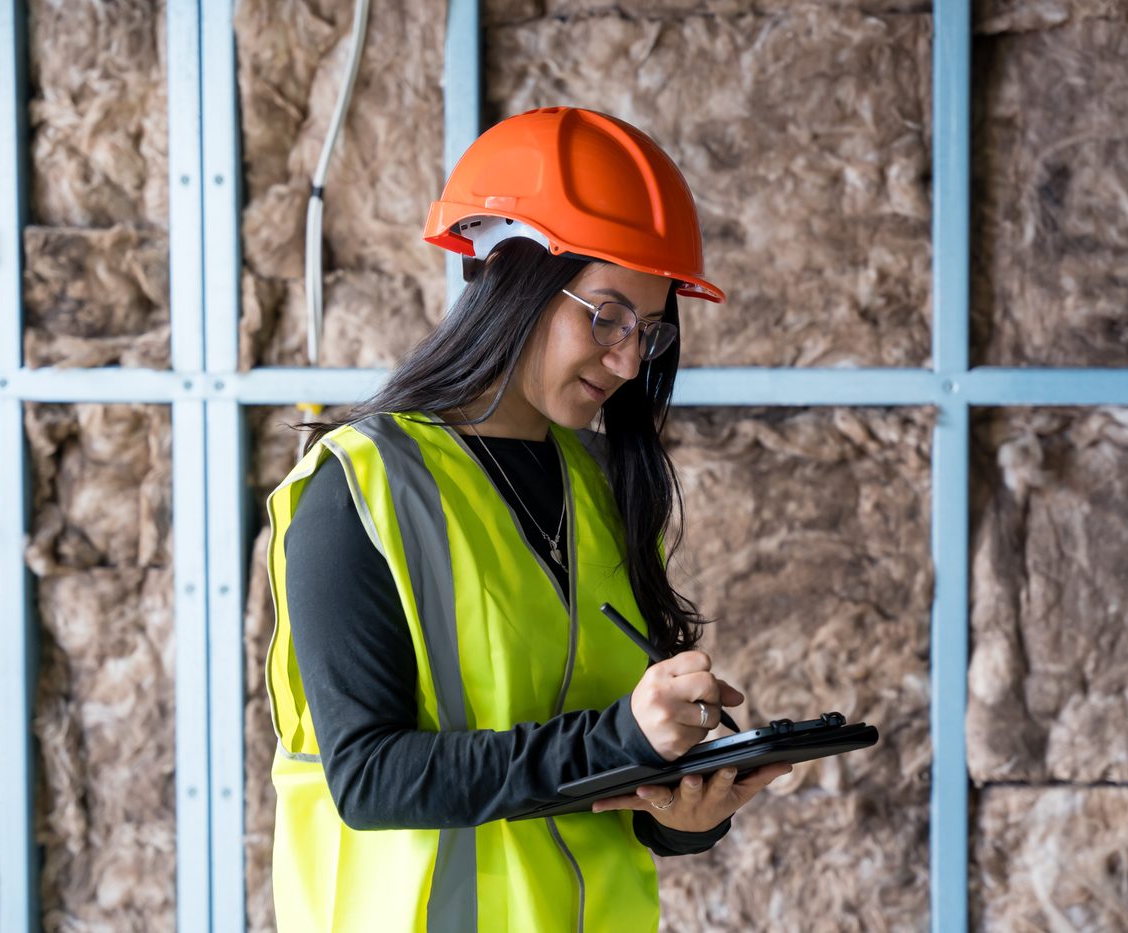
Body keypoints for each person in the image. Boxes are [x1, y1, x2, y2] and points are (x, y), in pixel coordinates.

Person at [263, 106, 790, 932]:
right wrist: (622, 737)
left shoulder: (603, 488)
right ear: (516, 276)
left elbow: (597, 769)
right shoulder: (359, 489)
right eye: (607, 315)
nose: (625, 360)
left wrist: (681, 811)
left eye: (647, 332)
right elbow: (368, 780)